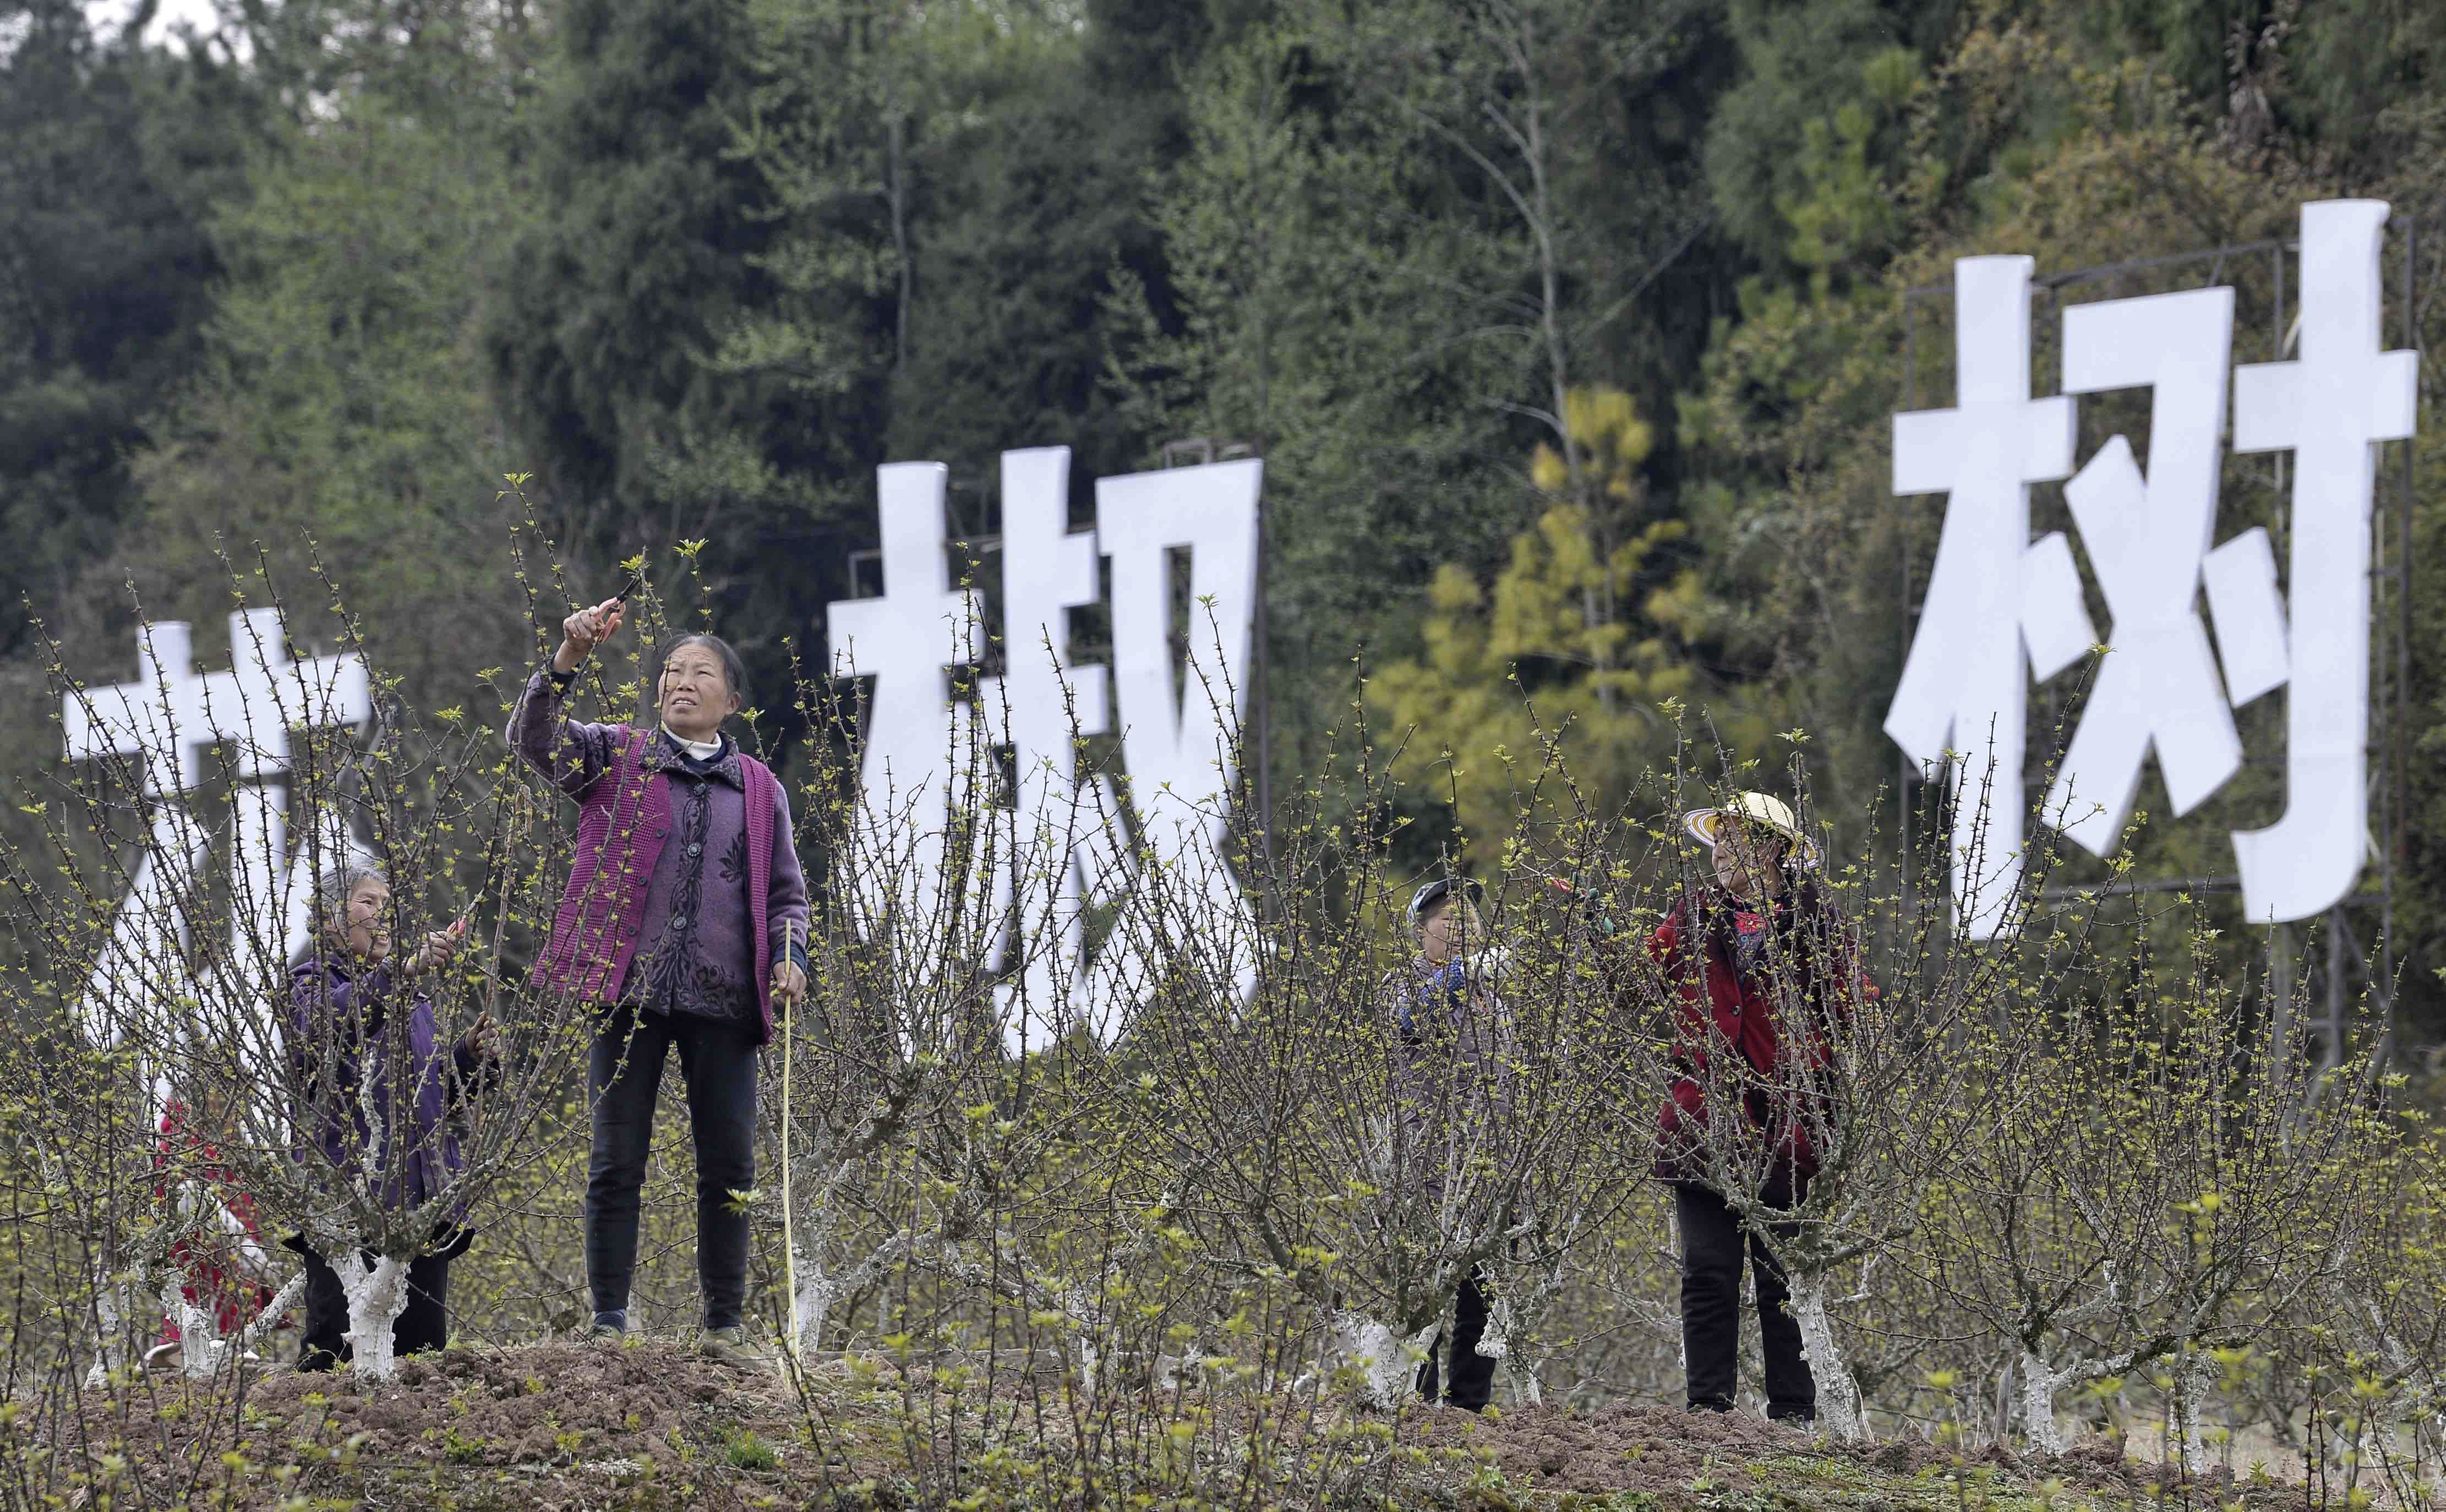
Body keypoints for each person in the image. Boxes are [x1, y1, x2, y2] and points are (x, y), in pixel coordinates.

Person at [508, 598, 808, 1367]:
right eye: (672, 671)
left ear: (732, 699)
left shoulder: (760, 787)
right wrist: (565, 659)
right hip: (627, 992)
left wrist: (790, 955)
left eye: (700, 672)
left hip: (725, 999)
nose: (681, 681)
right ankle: (609, 1317)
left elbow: (785, 896)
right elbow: (533, 741)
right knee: (616, 1160)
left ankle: (724, 1327)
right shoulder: (616, 754)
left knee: (731, 1168)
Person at [1647, 791, 1867, 1426]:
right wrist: (1603, 934)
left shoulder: (1815, 920)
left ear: (1772, 848)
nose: (1718, 851)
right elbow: (1640, 984)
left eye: (1734, 838)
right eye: (1716, 839)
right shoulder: (1691, 915)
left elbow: (1853, 1007)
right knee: (1707, 1272)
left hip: (1790, 1123)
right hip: (1702, 1118)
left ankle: (1793, 1412)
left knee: (1782, 1276)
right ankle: (1707, 1409)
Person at [290, 865, 493, 1371]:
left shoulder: (417, 1001)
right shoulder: (307, 984)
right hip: (349, 1199)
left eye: (387, 903)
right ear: (330, 919)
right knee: (337, 1360)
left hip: (422, 1203)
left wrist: (471, 1057)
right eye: (367, 902)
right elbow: (332, 1027)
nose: (382, 914)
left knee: (423, 1363)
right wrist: (399, 972)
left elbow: (436, 1096)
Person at [1383, 875, 1509, 1412]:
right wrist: (1458, 976)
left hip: (1489, 1168)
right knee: (1427, 1291)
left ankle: (1468, 1410)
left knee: (1483, 1294)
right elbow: (1410, 1021)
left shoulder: (1494, 997)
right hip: (1428, 1167)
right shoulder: (1402, 983)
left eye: (1469, 921)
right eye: (1447, 920)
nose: (1461, 929)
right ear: (1420, 929)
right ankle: (1415, 1404)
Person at [145, 1088, 284, 1372]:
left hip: (217, 1218)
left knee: (225, 1283)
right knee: (198, 1280)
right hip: (196, 1225)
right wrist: (248, 1249)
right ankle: (188, 1346)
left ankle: (225, 1343)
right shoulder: (185, 1124)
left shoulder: (227, 1131)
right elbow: (181, 1185)